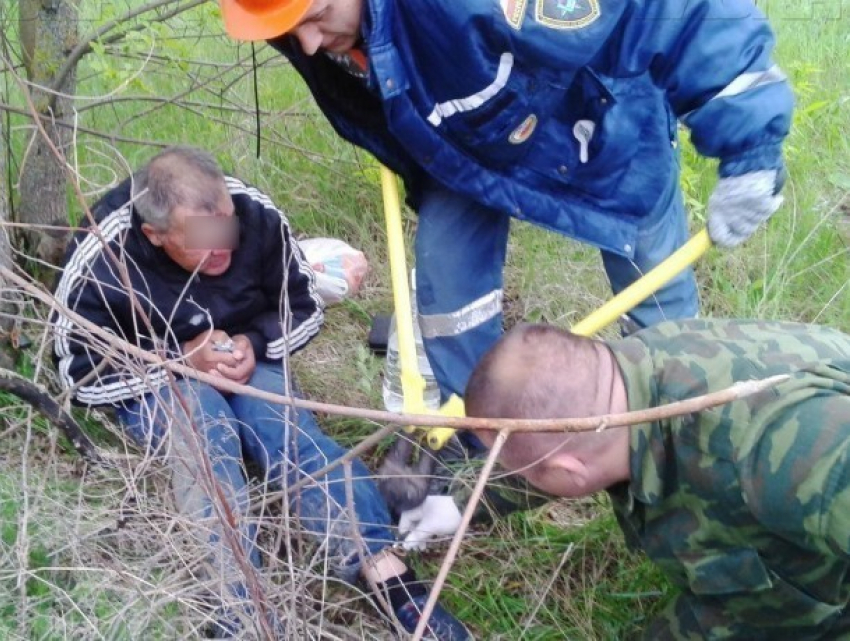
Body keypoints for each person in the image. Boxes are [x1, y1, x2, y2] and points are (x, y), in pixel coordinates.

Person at [217, 0, 793, 399]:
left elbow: (678, 12)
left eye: (318, 16)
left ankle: (680, 415)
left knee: (656, 298)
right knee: (447, 301)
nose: (310, 44)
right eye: (294, 32)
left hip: (596, 124)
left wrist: (751, 145)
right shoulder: (292, 20)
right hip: (463, 148)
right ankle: (483, 439)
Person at [52, 146, 470, 639]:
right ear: (155, 236)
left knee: (285, 428)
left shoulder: (252, 212)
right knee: (205, 435)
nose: (223, 248)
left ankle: (379, 564)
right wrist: (179, 361)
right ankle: (237, 607)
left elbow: (304, 304)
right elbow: (77, 371)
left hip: (249, 354)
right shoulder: (104, 254)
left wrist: (255, 341)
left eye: (225, 229)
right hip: (158, 374)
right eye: (202, 243)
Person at [464, 319, 850, 639]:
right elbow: (550, 440)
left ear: (569, 471)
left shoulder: (781, 458)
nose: (509, 473)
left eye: (515, 468)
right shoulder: (618, 376)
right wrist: (458, 504)